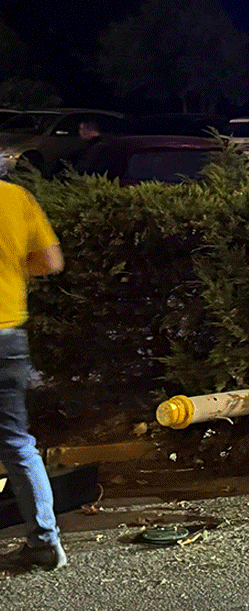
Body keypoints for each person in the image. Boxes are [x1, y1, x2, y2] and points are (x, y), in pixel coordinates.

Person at [0, 179, 67, 570]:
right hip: (8, 335)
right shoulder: (15, 197)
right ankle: (45, 543)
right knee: (16, 441)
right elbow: (51, 261)